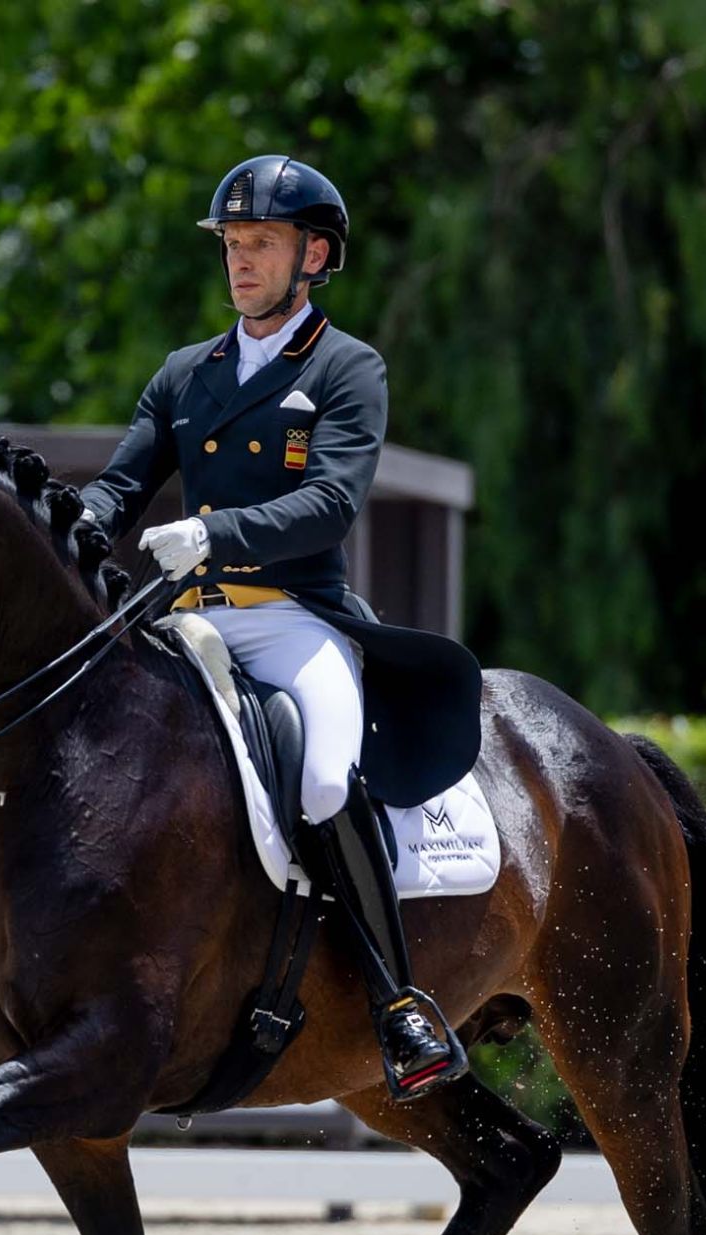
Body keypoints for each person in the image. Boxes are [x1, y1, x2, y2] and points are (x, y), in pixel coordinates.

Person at [78, 155, 477, 1102]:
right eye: (232, 243)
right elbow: (117, 488)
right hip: (189, 625)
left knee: (330, 776)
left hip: (292, 619)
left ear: (314, 255)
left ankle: (398, 1003)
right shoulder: (186, 376)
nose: (240, 260)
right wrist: (69, 530)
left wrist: (211, 531)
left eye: (259, 243)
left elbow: (331, 502)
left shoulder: (346, 368)